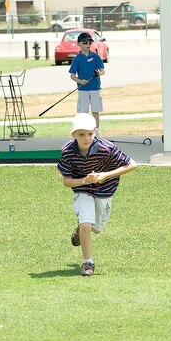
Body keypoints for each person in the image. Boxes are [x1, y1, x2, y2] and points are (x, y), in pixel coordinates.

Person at [57, 113, 138, 276]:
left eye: (90, 134)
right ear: (73, 135)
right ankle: (88, 263)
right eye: (81, 134)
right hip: (83, 190)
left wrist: (104, 175)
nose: (86, 138)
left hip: (105, 190)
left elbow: (132, 165)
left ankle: (80, 231)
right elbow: (66, 181)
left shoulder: (106, 148)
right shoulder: (67, 151)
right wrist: (84, 181)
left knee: (97, 228)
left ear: (95, 132)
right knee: (86, 224)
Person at [69, 32, 105, 130]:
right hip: (83, 90)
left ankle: (96, 133)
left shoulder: (95, 56)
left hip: (95, 88)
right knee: (83, 113)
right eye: (85, 42)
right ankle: (84, 132)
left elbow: (102, 70)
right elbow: (72, 76)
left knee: (95, 111)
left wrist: (99, 73)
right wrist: (80, 81)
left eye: (89, 42)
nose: (88, 44)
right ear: (79, 44)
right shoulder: (77, 59)